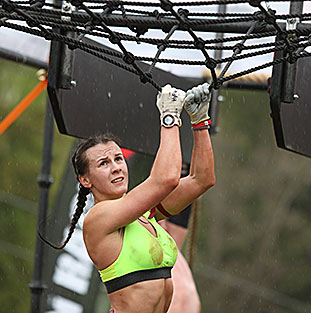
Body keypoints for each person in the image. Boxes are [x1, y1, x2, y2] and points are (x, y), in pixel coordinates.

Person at [53, 82, 215, 313]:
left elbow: (202, 179)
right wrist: (169, 117)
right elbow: (167, 179)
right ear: (85, 180)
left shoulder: (145, 214)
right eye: (103, 163)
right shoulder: (98, 218)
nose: (116, 167)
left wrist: (200, 122)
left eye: (118, 159)